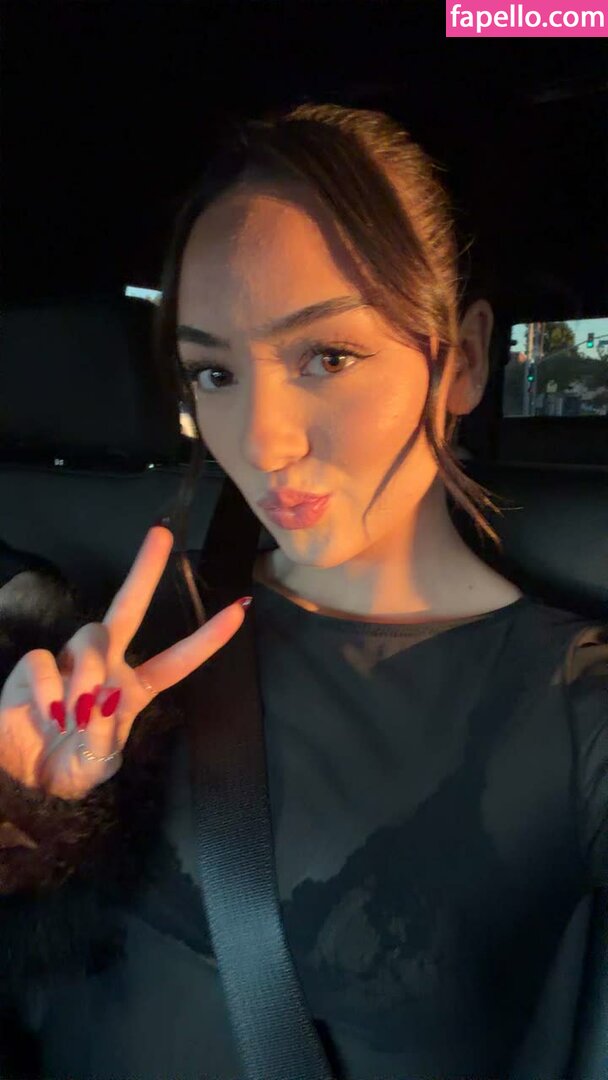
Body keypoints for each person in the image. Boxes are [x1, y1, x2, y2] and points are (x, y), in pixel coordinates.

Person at [0, 101, 606, 1079]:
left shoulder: (576, 708)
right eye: (213, 372)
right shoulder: (117, 645)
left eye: (327, 356)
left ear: (461, 360)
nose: (262, 440)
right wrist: (28, 813)